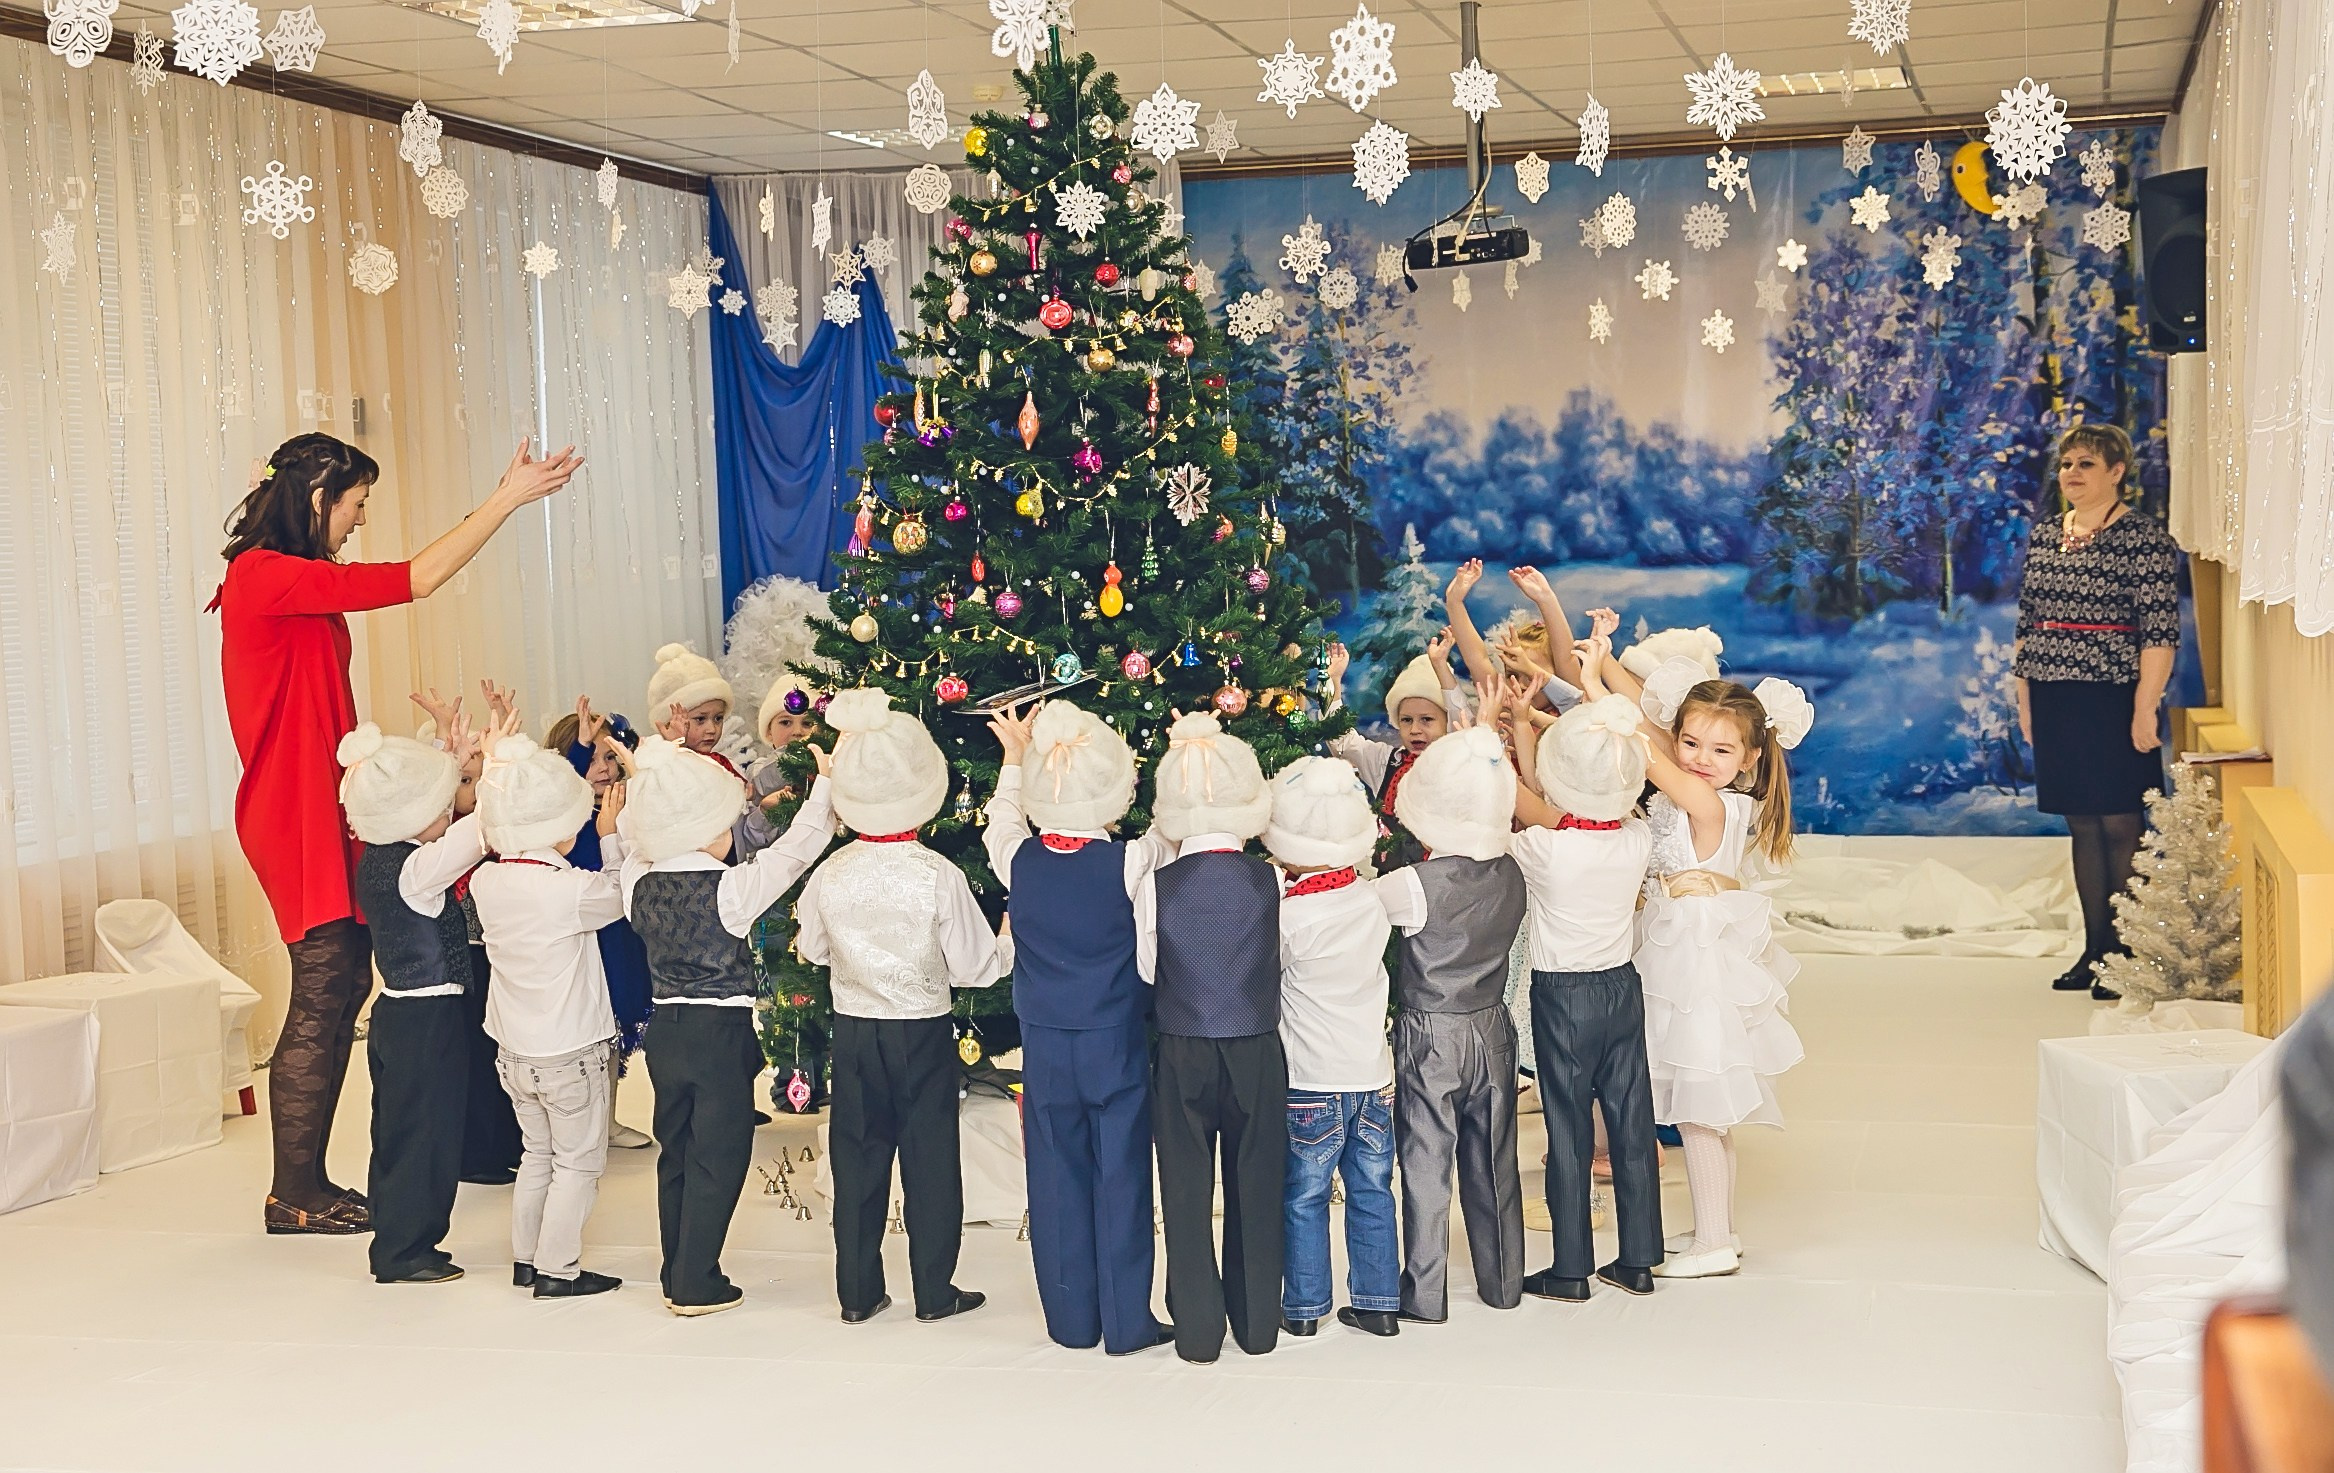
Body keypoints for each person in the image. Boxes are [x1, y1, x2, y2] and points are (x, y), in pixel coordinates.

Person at [214, 432, 580, 1235]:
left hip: (318, 798)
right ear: (317, 500)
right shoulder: (266, 576)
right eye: (354, 506)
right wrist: (507, 498)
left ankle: (303, 1183)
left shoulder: (282, 577)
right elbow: (415, 578)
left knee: (344, 983)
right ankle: (292, 1192)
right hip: (292, 807)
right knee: (322, 990)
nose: (357, 522)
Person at [1601, 630, 1813, 1281]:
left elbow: (1645, 743)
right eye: (1691, 742)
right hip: (1686, 949)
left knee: (1700, 1106)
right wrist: (1603, 659)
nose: (1698, 756)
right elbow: (1652, 722)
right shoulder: (1704, 781)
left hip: (1695, 964)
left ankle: (1715, 1241)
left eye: (1720, 749)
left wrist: (1593, 697)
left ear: (1749, 756)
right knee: (1707, 1110)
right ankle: (1717, 1227)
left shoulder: (1710, 799)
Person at [792, 689, 999, 1326]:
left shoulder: (831, 871)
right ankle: (934, 1292)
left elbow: (812, 948)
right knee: (930, 1159)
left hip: (854, 1031)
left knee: (856, 1157)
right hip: (922, 1032)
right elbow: (975, 967)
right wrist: (1012, 944)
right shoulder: (937, 872)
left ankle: (858, 1291)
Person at [983, 700, 1177, 1357]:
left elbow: (1000, 822)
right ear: (1114, 787)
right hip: (1113, 1039)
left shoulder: (1018, 860)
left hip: (1043, 1042)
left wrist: (1015, 759)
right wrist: (1180, 753)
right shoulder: (1128, 862)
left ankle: (1071, 1320)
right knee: (1121, 1174)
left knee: (1055, 1177)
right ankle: (1128, 1322)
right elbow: (1170, 831)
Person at [619, 734, 836, 1317]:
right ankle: (696, 1279)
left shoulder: (637, 882)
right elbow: (796, 852)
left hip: (663, 1031)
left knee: (678, 1150)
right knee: (720, 1155)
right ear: (708, 829)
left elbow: (631, 839)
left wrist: (646, 783)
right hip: (721, 1034)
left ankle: (677, 1266)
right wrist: (826, 790)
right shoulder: (731, 888)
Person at [1500, 671, 1663, 1303]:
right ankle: (1639, 1258)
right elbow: (1564, 798)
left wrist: (1502, 737)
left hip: (1562, 995)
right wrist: (1528, 723)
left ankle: (1571, 1267)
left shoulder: (1542, 848)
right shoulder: (1637, 837)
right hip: (1624, 989)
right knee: (1629, 1124)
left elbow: (1521, 796)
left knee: (1567, 1131)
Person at [2011, 423, 2183, 1000]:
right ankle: (2094, 950)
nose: (2073, 474)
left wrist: (2144, 710)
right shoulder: (2044, 536)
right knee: (2081, 822)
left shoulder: (2145, 539)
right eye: (2066, 464)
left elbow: (2159, 633)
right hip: (2055, 692)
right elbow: (2027, 624)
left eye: (2087, 464)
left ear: (2116, 472)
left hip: (2115, 695)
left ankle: (2127, 956)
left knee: (2121, 821)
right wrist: (2026, 700)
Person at [1138, 711, 1283, 1364]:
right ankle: (1257, 1325)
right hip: (1255, 1044)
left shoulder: (1155, 883)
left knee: (1186, 1190)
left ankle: (1197, 1330)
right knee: (1256, 1182)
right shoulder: (1271, 878)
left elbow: (1148, 969)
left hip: (1183, 1043)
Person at [340, 710, 503, 1284]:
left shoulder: (382, 858)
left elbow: (447, 818)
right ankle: (406, 1250)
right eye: (438, 805)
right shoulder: (419, 869)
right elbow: (480, 827)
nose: (446, 811)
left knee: (397, 1131)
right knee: (426, 1136)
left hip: (396, 1014)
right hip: (428, 1017)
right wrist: (498, 765)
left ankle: (396, 1235)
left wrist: (450, 759)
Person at [468, 726, 629, 1299]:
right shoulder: (568, 891)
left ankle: (525, 1257)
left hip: (513, 1049)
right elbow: (621, 896)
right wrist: (612, 840)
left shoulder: (487, 879)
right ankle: (558, 1269)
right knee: (578, 1165)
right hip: (569, 1050)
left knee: (537, 1154)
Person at [1381, 723, 1529, 1323]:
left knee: (1425, 1160)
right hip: (1493, 1028)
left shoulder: (1409, 885)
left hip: (1430, 1032)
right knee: (1495, 1160)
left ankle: (1423, 1292)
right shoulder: (1515, 873)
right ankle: (1503, 1280)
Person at [1265, 755, 1414, 1340]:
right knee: (1373, 1189)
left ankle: (1304, 1309)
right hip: (1373, 1075)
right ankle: (1378, 1303)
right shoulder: (1373, 898)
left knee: (1303, 1197)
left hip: (1310, 1080)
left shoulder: (1288, 914)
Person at [545, 699, 655, 1149]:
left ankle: (606, 1121)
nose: (603, 767)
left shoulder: (625, 806)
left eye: (609, 756)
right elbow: (557, 789)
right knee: (587, 1034)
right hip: (584, 937)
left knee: (613, 1033)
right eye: (590, 758)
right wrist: (580, 749)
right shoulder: (565, 816)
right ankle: (581, 1125)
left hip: (621, 935)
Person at [1322, 633, 1466, 872]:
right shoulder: (1385, 762)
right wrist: (1331, 682)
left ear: (1447, 721)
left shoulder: (1457, 765)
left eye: (1427, 720)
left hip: (1443, 888)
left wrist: (1440, 667)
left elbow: (1461, 715)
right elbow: (1342, 741)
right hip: (1389, 883)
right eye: (1406, 720)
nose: (1415, 730)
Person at [646, 643, 743, 780]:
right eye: (700, 719)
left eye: (718, 718)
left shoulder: (721, 765)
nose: (711, 729)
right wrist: (677, 748)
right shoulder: (659, 770)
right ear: (669, 723)